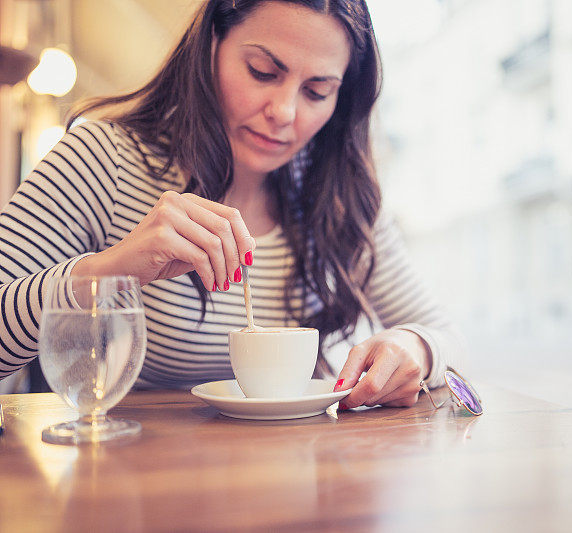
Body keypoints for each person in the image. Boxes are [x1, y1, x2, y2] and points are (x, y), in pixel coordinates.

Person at [0, 0, 461, 408]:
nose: (284, 111)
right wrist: (109, 271)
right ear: (212, 45)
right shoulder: (108, 160)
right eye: (263, 72)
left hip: (290, 483)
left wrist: (416, 347)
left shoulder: (336, 196)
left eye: (317, 91)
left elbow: (447, 339)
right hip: (127, 484)